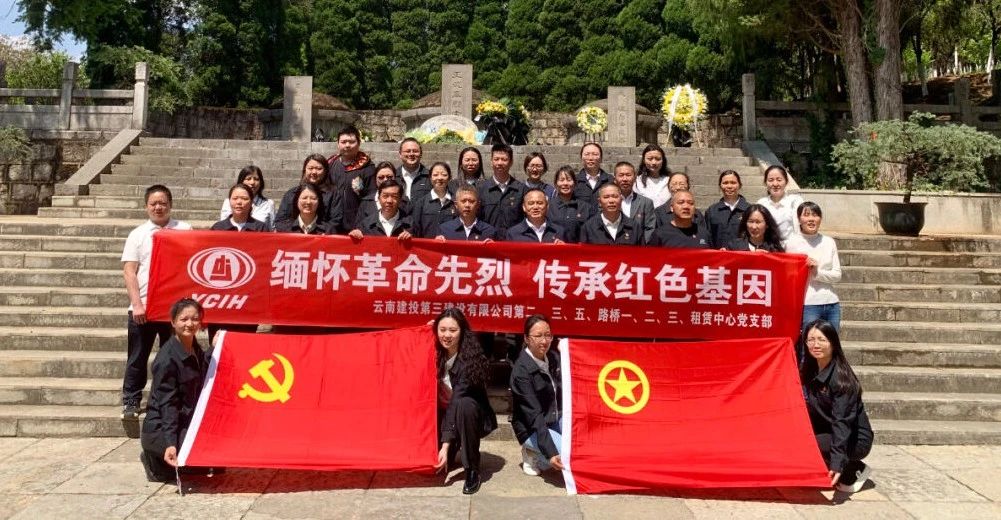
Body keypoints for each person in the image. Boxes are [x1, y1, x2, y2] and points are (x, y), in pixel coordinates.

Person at [121, 185, 192, 421]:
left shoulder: (184, 230)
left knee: (171, 357)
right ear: (146, 207)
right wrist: (137, 304)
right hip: (143, 307)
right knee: (137, 357)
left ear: (170, 205)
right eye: (153, 203)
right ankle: (131, 400)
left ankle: (166, 399)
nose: (158, 207)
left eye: (163, 203)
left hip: (174, 309)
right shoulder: (138, 234)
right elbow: (129, 271)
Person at [139, 298, 212, 482]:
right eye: (184, 319)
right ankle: (154, 459)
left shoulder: (193, 346)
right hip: (161, 428)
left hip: (185, 420)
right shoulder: (167, 360)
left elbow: (202, 369)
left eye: (195, 319)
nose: (190, 324)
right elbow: (168, 405)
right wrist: (170, 443)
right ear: (173, 322)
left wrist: (214, 347)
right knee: (200, 449)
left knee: (213, 460)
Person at [800, 320, 874, 494]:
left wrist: (837, 463)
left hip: (854, 438)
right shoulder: (810, 369)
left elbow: (842, 422)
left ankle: (853, 469)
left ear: (833, 343)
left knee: (808, 445)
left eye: (822, 340)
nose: (815, 345)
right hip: (828, 428)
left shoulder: (842, 380)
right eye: (811, 340)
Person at [432, 308, 497, 495]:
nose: (447, 335)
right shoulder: (434, 352)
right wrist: (424, 331)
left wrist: (445, 445)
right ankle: (452, 446)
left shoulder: (469, 360)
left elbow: (456, 401)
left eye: (453, 330)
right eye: (442, 329)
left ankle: (472, 469)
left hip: (467, 417)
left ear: (462, 332)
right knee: (435, 463)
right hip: (442, 416)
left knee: (464, 405)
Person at [207, 184, 265, 343]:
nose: (239, 202)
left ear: (252, 202)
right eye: (235, 198)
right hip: (221, 299)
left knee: (244, 344)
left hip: (248, 299)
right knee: (218, 346)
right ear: (229, 201)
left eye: (244, 198)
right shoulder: (218, 228)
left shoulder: (261, 228)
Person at [510, 314, 563, 476]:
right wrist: (551, 453)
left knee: (583, 448)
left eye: (548, 335)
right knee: (566, 457)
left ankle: (543, 452)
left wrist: (567, 353)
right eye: (538, 336)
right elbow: (534, 416)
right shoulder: (521, 372)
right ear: (527, 338)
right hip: (531, 427)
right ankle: (533, 454)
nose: (544, 341)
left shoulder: (554, 358)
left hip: (555, 418)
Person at [786, 202, 842, 331]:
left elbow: (837, 275)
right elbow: (788, 276)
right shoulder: (791, 243)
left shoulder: (829, 242)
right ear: (799, 219)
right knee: (810, 340)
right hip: (808, 304)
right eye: (806, 215)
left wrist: (817, 273)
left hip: (831, 302)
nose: (811, 219)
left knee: (832, 341)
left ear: (820, 219)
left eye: (815, 215)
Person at [275, 154, 343, 232]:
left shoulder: (333, 194)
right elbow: (281, 221)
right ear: (305, 170)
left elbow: (336, 222)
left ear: (325, 171)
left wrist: (317, 232)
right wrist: (299, 232)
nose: (314, 172)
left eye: (319, 168)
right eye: (310, 168)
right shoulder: (292, 193)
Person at [327, 125, 376, 230]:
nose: (347, 145)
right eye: (343, 142)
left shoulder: (367, 167)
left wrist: (364, 224)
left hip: (357, 223)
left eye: (351, 142)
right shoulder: (330, 164)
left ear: (359, 143)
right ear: (338, 144)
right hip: (331, 221)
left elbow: (371, 197)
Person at [477, 143, 526, 237]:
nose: (499, 163)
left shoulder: (521, 189)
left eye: (504, 159)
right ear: (491, 161)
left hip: (513, 241)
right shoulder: (481, 189)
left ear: (511, 162)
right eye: (496, 159)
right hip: (488, 241)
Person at [579, 183, 644, 246]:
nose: (611, 201)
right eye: (606, 197)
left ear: (621, 199)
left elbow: (642, 252)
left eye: (615, 196)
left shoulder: (634, 227)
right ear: (599, 202)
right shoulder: (589, 228)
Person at [350, 179, 414, 241]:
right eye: (385, 196)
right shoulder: (366, 225)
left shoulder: (410, 224)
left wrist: (412, 238)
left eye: (394, 196)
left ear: (400, 200)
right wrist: (355, 235)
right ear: (378, 198)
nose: (389, 201)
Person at [756, 165, 804, 243]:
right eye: (771, 180)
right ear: (765, 182)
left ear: (786, 182)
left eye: (779, 180)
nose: (775, 184)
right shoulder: (761, 203)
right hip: (768, 246)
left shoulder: (795, 201)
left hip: (792, 246)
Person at [218, 165, 275, 230]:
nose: (252, 182)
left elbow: (272, 228)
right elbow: (223, 226)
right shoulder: (229, 202)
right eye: (248, 179)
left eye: (256, 179)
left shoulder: (268, 203)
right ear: (241, 181)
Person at [612, 161, 656, 242]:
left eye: (628, 175)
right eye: (621, 175)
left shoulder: (646, 203)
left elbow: (650, 229)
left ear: (635, 178)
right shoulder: (607, 201)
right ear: (614, 179)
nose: (625, 179)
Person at [705, 170, 750, 249]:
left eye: (733, 183)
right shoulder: (712, 211)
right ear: (720, 186)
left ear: (739, 185)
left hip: (743, 255)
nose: (729, 186)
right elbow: (708, 238)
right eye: (725, 183)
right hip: (719, 255)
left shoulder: (749, 210)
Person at [411, 162, 458, 238]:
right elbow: (416, 230)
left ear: (450, 177)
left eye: (444, 175)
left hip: (450, 244)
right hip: (427, 245)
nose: (439, 178)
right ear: (430, 178)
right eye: (435, 175)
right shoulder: (421, 203)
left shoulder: (456, 202)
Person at [547, 165, 591, 243]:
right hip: (554, 248)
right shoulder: (548, 207)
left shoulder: (585, 207)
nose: (565, 183)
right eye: (561, 180)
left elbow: (590, 232)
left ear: (575, 183)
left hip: (577, 249)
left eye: (569, 180)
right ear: (556, 183)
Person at [574, 142, 611, 210]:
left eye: (595, 154)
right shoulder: (574, 181)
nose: (590, 158)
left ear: (601, 158)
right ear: (581, 158)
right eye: (587, 154)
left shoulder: (610, 180)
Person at [635, 144, 672, 208]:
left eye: (658, 159)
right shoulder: (637, 181)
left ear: (663, 160)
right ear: (644, 160)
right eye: (650, 159)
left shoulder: (670, 180)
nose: (654, 162)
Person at [396, 137, 431, 203]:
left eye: (415, 151)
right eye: (407, 151)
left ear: (421, 154)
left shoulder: (430, 177)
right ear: (400, 154)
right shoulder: (393, 177)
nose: (411, 154)